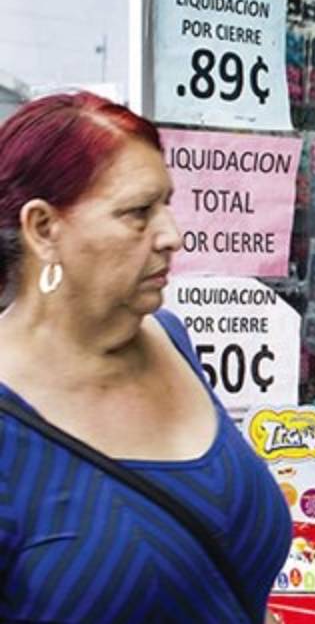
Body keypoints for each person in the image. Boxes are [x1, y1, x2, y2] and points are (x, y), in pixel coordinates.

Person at [0, 93, 290, 622]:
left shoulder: (171, 341)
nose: (172, 236)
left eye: (167, 204)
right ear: (43, 228)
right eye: (138, 212)